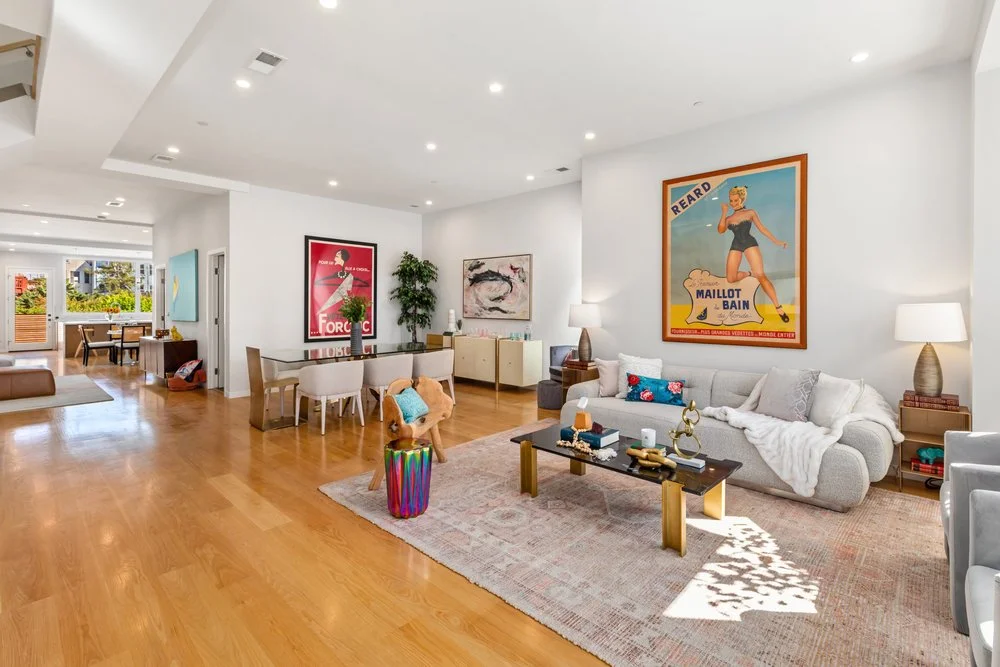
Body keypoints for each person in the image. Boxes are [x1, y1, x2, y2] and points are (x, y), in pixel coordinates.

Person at [717, 185, 790, 323]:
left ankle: (778, 307)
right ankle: (750, 273)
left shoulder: (750, 212)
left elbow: (762, 228)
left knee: (761, 275)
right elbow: (720, 230)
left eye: (736, 200)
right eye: (731, 200)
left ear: (742, 199)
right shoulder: (729, 218)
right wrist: (724, 212)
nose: (733, 203)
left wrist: (777, 241)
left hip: (750, 243)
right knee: (731, 278)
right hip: (736, 245)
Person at [314, 248, 370, 314]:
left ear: (343, 258)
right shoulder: (331, 274)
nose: (334, 258)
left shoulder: (350, 278)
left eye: (337, 256)